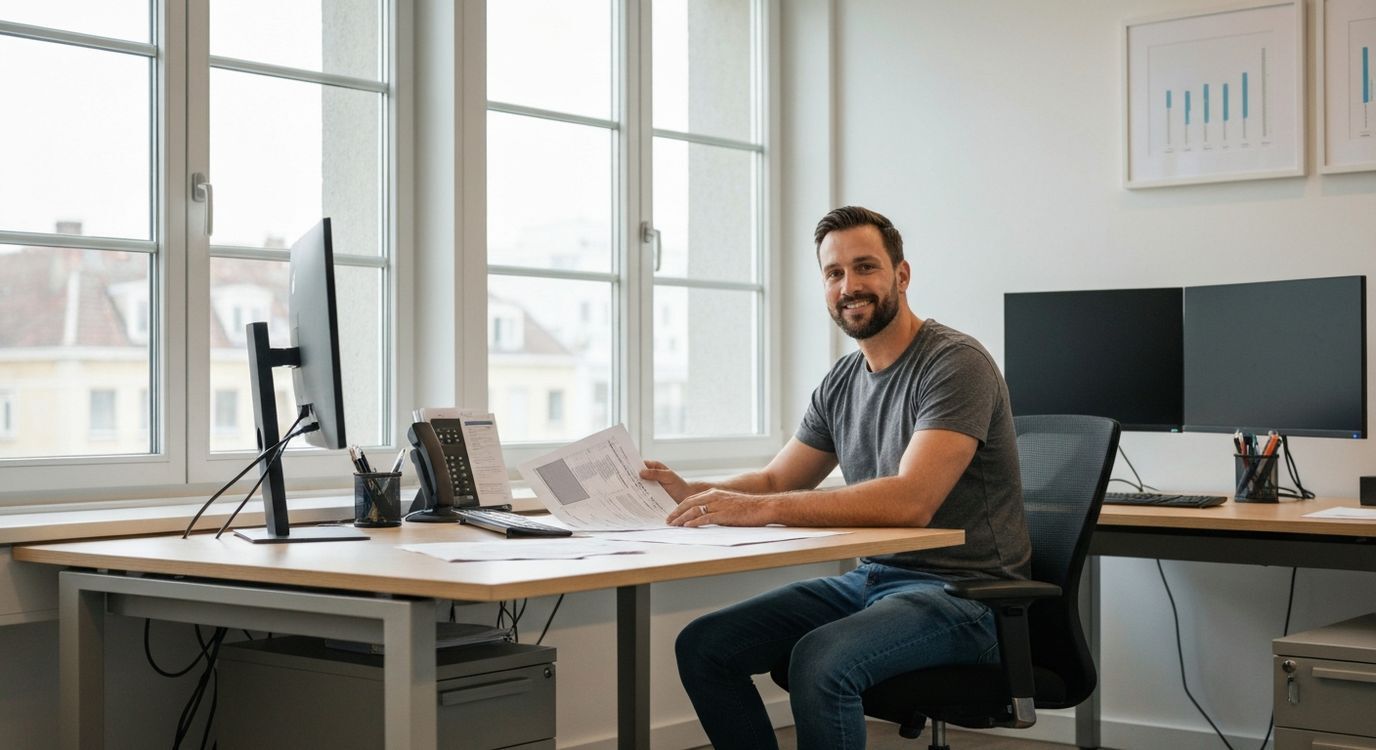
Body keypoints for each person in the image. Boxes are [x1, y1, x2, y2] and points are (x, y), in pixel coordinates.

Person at [640, 206, 1030, 750]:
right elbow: (778, 480)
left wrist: (761, 510)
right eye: (833, 273)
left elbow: (912, 501)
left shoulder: (955, 363)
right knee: (705, 645)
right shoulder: (844, 377)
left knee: (821, 661)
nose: (849, 285)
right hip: (874, 582)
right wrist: (697, 494)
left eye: (865, 267)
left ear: (901, 274)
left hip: (968, 597)